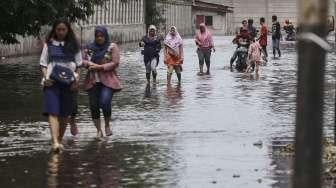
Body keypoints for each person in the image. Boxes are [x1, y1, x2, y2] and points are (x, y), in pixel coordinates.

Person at [40, 19, 82, 152]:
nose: (61, 32)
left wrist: (76, 81)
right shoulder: (49, 44)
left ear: (68, 30)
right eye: (59, 29)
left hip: (69, 84)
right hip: (52, 83)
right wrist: (46, 78)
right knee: (52, 111)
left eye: (64, 29)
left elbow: (78, 66)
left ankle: (58, 140)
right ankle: (55, 142)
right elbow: (43, 64)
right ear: (55, 30)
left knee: (65, 115)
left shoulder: (75, 46)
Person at [83, 26, 122, 138]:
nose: (99, 38)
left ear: (105, 36)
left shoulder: (112, 47)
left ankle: (107, 125)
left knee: (105, 102)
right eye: (97, 36)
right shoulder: (89, 48)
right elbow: (82, 60)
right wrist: (89, 64)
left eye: (101, 36)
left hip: (108, 81)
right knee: (94, 106)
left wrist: (100, 67)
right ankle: (98, 130)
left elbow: (115, 63)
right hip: (93, 80)